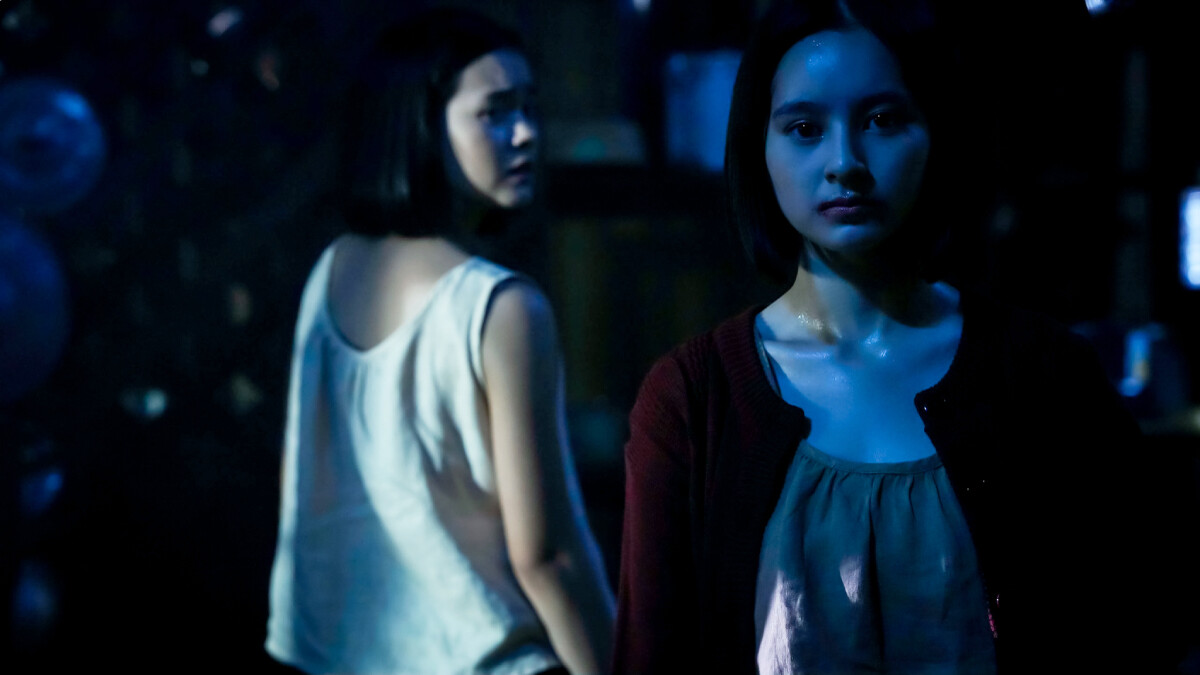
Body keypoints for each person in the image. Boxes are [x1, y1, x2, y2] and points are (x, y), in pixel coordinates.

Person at [613, 0, 1193, 673]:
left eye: (883, 120)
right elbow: (652, 654)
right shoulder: (694, 398)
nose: (845, 161)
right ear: (758, 148)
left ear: (937, 131)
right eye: (804, 128)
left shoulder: (1042, 372)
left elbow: (1139, 625)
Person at [264, 9, 614, 675]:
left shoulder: (331, 272)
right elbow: (547, 556)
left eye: (530, 107)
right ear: (421, 126)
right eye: (495, 113)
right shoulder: (501, 307)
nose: (526, 133)